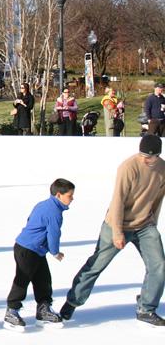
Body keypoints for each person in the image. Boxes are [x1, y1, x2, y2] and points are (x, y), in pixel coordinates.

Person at [59, 135, 165, 326]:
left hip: (145, 225)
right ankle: (72, 302)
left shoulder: (162, 169)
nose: (145, 160)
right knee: (97, 264)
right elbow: (118, 200)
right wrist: (117, 232)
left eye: (150, 157)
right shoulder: (129, 167)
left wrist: (153, 224)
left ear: (158, 155)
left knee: (159, 265)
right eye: (143, 155)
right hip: (117, 223)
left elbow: (158, 199)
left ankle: (146, 308)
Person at [3, 179, 75, 331]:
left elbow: (31, 221)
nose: (72, 199)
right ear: (58, 195)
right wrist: (54, 251)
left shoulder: (44, 204)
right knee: (22, 280)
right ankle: (11, 312)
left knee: (43, 280)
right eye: (69, 196)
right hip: (27, 249)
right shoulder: (54, 211)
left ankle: (43, 311)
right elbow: (53, 234)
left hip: (36, 250)